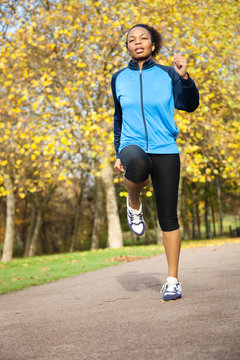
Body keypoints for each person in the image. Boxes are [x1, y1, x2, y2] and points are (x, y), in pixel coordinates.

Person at [111, 24, 199, 301]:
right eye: (131, 40)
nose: (137, 43)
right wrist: (117, 152)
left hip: (165, 147)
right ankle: (133, 201)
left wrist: (185, 78)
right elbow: (118, 118)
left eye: (143, 39)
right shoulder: (118, 78)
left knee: (168, 216)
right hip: (131, 143)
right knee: (136, 163)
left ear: (153, 45)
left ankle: (172, 279)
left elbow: (189, 104)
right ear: (127, 46)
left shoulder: (168, 74)